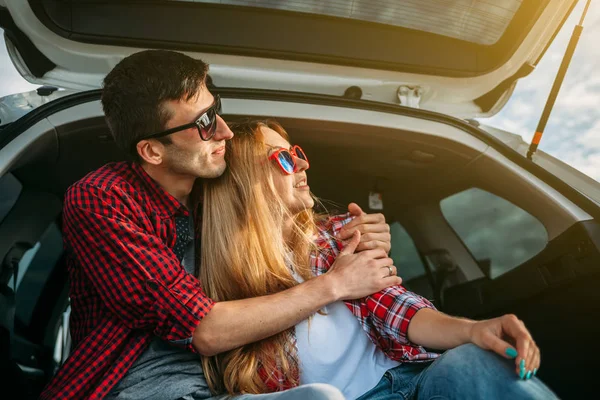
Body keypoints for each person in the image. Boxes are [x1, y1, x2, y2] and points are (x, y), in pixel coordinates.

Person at [39, 50, 399, 400]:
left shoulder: (217, 189)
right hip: (141, 387)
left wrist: (351, 234)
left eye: (215, 110)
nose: (224, 131)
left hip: (233, 385)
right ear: (152, 152)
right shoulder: (103, 199)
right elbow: (204, 330)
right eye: (203, 123)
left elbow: (284, 223)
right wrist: (334, 284)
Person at [199, 120, 560, 400]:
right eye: (283, 158)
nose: (302, 164)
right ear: (245, 181)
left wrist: (471, 330)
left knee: (471, 359)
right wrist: (332, 286)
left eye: (296, 152)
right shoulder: (218, 286)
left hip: (411, 382)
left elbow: (398, 309)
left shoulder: (335, 236)